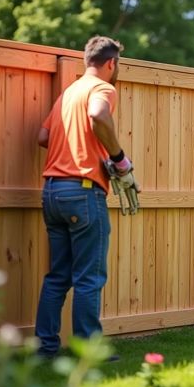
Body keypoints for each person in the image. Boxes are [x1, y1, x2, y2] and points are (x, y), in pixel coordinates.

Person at [35, 35, 133, 357]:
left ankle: (46, 350)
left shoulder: (68, 92)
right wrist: (118, 159)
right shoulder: (103, 88)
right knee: (89, 277)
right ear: (111, 64)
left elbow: (43, 136)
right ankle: (88, 351)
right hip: (83, 192)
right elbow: (98, 116)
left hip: (51, 191)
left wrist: (82, 151)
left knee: (58, 276)